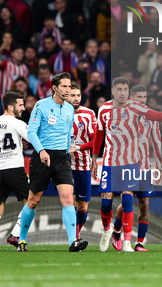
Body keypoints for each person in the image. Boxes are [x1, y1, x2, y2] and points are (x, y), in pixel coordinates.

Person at [92, 77, 162, 253]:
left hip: (135, 165)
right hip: (111, 163)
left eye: (125, 89)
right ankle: (109, 231)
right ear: (113, 91)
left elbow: (157, 123)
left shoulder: (141, 111)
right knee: (106, 204)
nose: (122, 93)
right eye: (119, 89)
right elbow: (99, 134)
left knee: (133, 202)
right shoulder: (104, 110)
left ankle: (130, 242)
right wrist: (95, 158)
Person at [18, 72, 87, 252]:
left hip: (61, 159)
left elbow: (66, 134)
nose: (68, 89)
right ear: (54, 88)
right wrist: (41, 151)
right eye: (64, 86)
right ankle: (22, 240)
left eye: (69, 86)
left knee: (68, 199)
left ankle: (73, 242)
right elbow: (31, 132)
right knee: (33, 200)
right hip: (42, 156)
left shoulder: (70, 108)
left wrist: (66, 151)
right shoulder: (41, 105)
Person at [113, 85, 162, 252]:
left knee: (144, 205)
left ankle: (139, 243)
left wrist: (159, 163)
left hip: (145, 168)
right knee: (126, 201)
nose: (142, 101)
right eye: (139, 97)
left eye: (144, 97)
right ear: (131, 98)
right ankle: (117, 231)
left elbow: (156, 141)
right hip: (126, 165)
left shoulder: (151, 117)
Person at [0, 92, 31, 252]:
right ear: (10, 106)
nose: (23, 108)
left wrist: (17, 143)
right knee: (30, 202)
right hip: (15, 169)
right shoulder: (17, 123)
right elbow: (32, 137)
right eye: (20, 105)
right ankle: (16, 234)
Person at [66, 83, 96, 241]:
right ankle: (73, 238)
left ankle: (76, 232)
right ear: (66, 96)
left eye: (78, 95)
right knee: (69, 201)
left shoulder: (89, 114)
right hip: (64, 165)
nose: (76, 98)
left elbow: (96, 141)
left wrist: (77, 147)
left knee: (83, 207)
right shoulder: (59, 113)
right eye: (72, 95)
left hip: (83, 164)